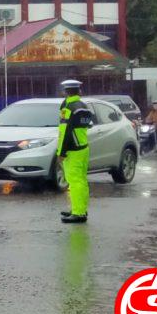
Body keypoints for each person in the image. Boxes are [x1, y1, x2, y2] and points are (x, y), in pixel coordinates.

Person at [57, 79, 93, 224]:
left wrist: (61, 152)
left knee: (75, 181)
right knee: (81, 181)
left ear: (65, 92)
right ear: (79, 91)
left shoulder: (68, 108)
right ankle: (80, 209)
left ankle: (78, 214)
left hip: (71, 149)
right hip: (83, 147)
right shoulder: (83, 106)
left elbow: (64, 131)